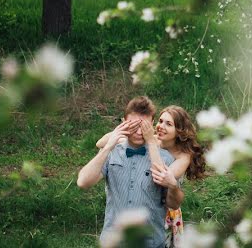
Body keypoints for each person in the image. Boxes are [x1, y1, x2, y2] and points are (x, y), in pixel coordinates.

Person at [77, 96, 183, 248]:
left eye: (144, 126)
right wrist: (107, 147)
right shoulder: (111, 152)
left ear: (152, 124)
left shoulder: (165, 158)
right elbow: (82, 182)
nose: (139, 132)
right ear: (123, 122)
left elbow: (174, 203)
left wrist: (173, 186)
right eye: (133, 125)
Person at [96, 105, 207, 248]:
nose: (161, 126)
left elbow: (160, 176)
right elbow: (100, 142)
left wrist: (150, 142)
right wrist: (123, 130)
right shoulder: (153, 139)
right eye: (160, 121)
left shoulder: (183, 155)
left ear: (179, 130)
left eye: (168, 124)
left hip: (164, 207)